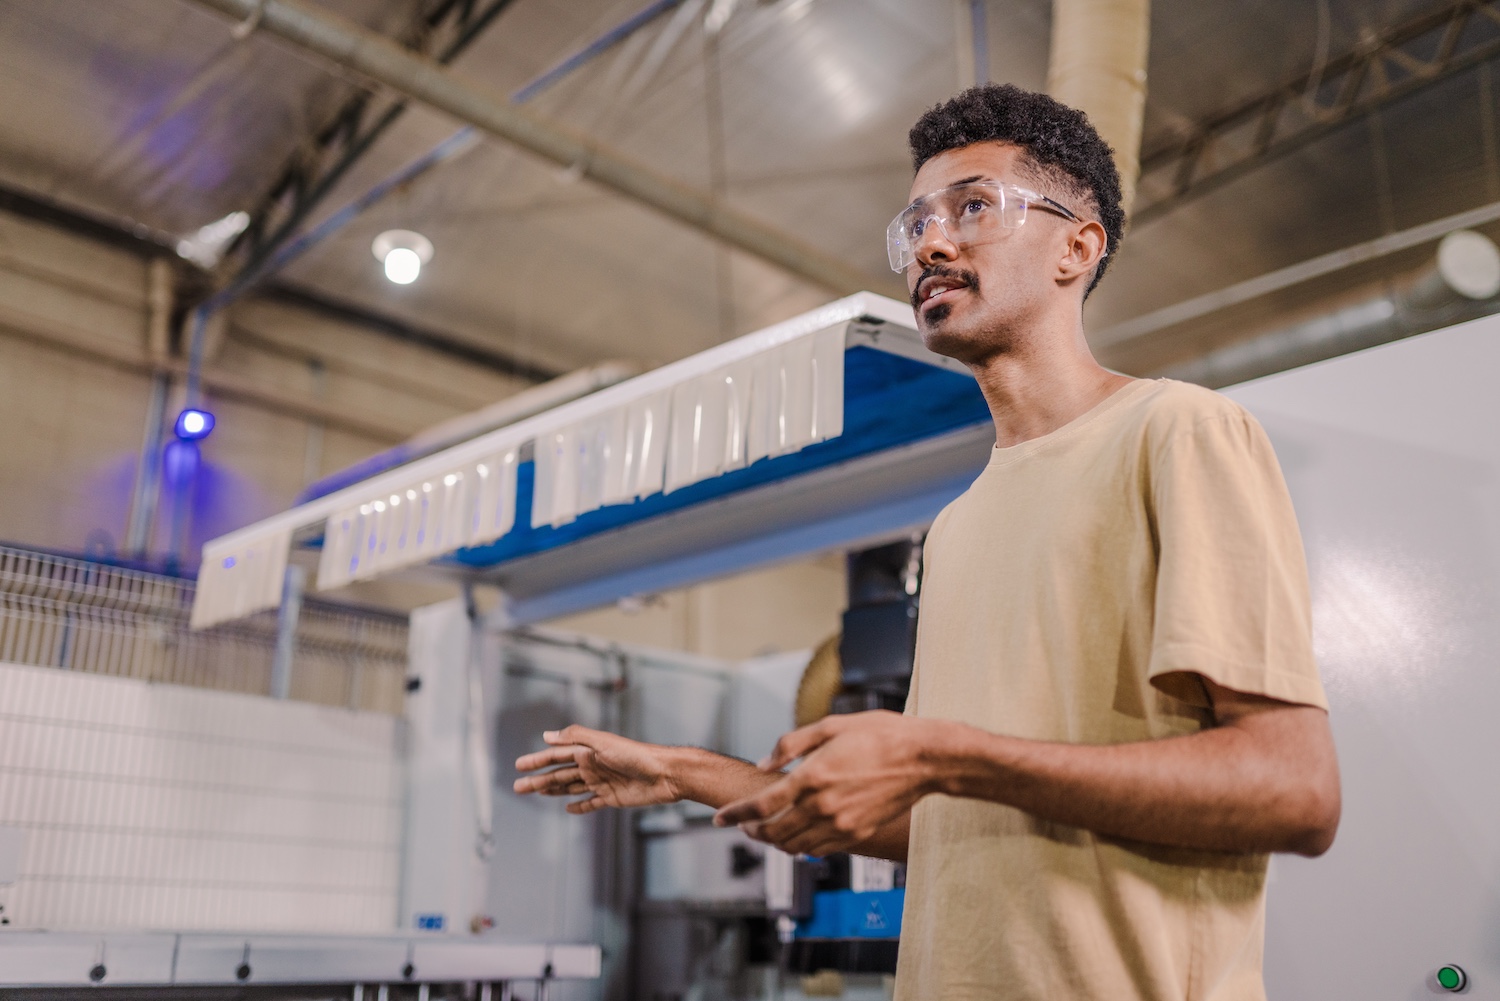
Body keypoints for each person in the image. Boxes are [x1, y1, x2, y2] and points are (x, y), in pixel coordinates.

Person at [514, 83, 1340, 1001]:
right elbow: (941, 822)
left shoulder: (1177, 433)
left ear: (1079, 245)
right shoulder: (957, 526)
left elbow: (1293, 790)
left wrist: (945, 753)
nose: (932, 245)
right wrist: (682, 770)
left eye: (975, 207)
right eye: (917, 225)